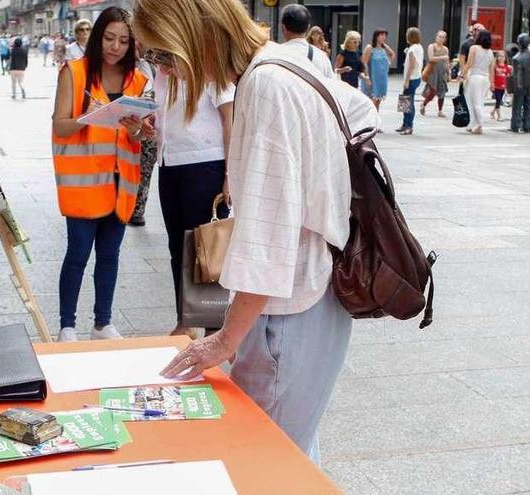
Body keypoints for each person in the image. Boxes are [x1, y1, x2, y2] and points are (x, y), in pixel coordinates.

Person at [132, 0, 378, 465]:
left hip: (290, 306)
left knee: (265, 460)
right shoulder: (283, 61)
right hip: (316, 290)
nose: (165, 71)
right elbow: (363, 112)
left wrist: (225, 339)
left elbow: (268, 238)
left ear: (191, 36)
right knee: (293, 448)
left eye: (163, 56)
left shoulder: (263, 85)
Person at [51, 7, 153, 342]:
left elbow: (137, 136)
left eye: (123, 41)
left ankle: (102, 323)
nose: (115, 46)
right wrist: (89, 117)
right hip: (84, 183)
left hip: (120, 183)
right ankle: (67, 325)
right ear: (97, 37)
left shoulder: (137, 80)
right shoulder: (75, 72)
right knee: (78, 254)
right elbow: (60, 126)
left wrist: (137, 129)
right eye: (109, 38)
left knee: (110, 255)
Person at [143, 45, 235, 340]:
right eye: (156, 60)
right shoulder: (161, 74)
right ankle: (185, 321)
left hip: (206, 163)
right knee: (178, 247)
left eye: (165, 59)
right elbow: (168, 116)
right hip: (169, 162)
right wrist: (150, 125)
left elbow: (229, 119)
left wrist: (230, 175)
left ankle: (212, 326)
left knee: (206, 248)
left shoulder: (208, 65)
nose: (162, 67)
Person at [130, 42, 158, 227]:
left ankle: (138, 210)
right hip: (129, 123)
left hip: (150, 122)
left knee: (145, 168)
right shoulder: (119, 67)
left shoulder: (156, 64)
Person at [280, 5, 333, 79]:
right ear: (308, 28)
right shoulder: (322, 57)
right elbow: (330, 85)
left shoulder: (273, 55)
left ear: (283, 27)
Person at [461, 29, 495, 135]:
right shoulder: (490, 52)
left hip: (475, 77)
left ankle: (479, 124)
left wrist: (462, 74)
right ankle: (473, 124)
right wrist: (492, 83)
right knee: (479, 101)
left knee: (473, 102)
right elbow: (491, 69)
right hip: (486, 79)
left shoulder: (474, 48)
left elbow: (469, 63)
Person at [397, 27, 423, 135]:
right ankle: (405, 124)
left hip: (411, 78)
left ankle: (408, 125)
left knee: (408, 102)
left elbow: (412, 65)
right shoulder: (418, 47)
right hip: (417, 77)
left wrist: (406, 80)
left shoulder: (412, 49)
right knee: (405, 101)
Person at [361, 28, 395, 112]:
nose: (384, 37)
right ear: (376, 36)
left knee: (378, 100)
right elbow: (364, 62)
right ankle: (372, 120)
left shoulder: (384, 47)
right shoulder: (370, 48)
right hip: (373, 77)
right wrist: (367, 76)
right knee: (372, 101)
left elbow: (392, 54)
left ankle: (375, 120)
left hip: (382, 78)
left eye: (385, 35)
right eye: (382, 35)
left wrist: (388, 63)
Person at [420, 30, 451, 117]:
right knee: (432, 91)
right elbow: (431, 58)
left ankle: (440, 110)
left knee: (442, 91)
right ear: (436, 37)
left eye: (443, 37)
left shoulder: (445, 49)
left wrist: (449, 74)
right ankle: (424, 104)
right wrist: (443, 57)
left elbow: (447, 62)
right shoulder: (431, 46)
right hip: (433, 72)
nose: (441, 39)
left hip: (442, 72)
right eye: (439, 37)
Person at [510, 33, 530, 133]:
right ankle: (527, 126)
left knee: (517, 106)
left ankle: (515, 125)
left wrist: (518, 87)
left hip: (521, 85)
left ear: (519, 43)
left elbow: (517, 75)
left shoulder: (517, 58)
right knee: (528, 106)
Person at [491, 50, 511, 121]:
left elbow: (508, 77)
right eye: (499, 56)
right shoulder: (495, 66)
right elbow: (492, 75)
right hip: (496, 86)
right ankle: (499, 116)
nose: (501, 58)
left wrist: (508, 87)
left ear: (505, 58)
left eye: (503, 56)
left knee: (498, 101)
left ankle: (492, 112)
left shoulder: (507, 67)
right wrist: (492, 84)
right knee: (498, 100)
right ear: (497, 57)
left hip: (503, 86)